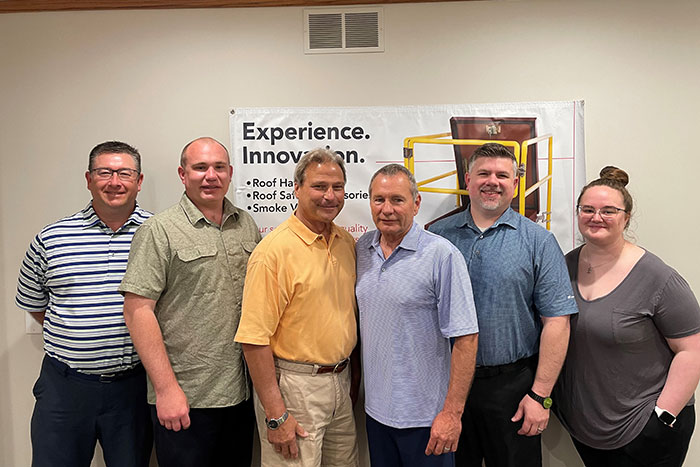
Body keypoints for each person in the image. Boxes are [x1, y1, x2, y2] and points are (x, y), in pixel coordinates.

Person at [428, 142, 578, 467]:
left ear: (515, 183)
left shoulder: (538, 241)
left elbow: (557, 322)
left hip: (512, 389)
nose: (491, 181)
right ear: (467, 179)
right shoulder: (436, 238)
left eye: (501, 175)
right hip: (447, 388)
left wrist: (540, 396)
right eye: (483, 173)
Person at [118, 137, 260, 467]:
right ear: (183, 174)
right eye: (200, 168)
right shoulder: (159, 230)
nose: (210, 175)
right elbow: (138, 311)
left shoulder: (246, 225)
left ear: (230, 173)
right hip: (186, 398)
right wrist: (166, 390)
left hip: (239, 394)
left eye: (218, 167)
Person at [15, 141, 152, 467]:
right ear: (89, 179)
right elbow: (35, 304)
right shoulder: (52, 238)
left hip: (132, 389)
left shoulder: (159, 233)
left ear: (139, 180)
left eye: (124, 173)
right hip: (64, 389)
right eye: (104, 172)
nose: (114, 182)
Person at [554, 166, 700, 467]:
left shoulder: (658, 278)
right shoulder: (563, 268)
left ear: (626, 217)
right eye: (588, 209)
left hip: (647, 429)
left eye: (609, 210)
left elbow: (693, 351)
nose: (596, 217)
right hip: (589, 430)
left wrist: (662, 416)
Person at [235, 148, 359, 467]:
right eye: (319, 186)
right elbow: (254, 339)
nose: (329, 196)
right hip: (294, 388)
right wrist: (276, 415)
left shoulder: (346, 244)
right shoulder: (273, 253)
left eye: (337, 187)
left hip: (340, 383)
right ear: (297, 188)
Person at [356, 164, 479, 467]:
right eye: (379, 200)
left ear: (416, 203)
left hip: (427, 419)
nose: (387, 209)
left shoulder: (441, 255)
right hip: (376, 414)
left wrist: (452, 413)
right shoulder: (361, 249)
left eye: (397, 200)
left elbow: (466, 338)